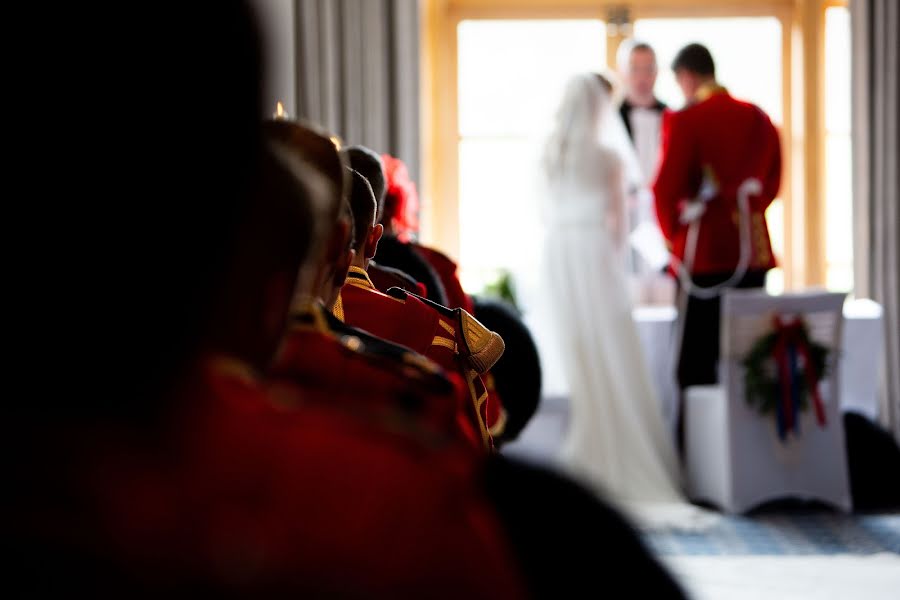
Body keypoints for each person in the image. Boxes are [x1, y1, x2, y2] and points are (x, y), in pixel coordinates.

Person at [539, 73, 688, 518]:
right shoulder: (607, 155)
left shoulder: (551, 150)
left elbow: (543, 210)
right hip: (593, 253)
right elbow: (620, 227)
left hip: (558, 253)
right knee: (611, 355)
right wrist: (616, 266)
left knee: (576, 352)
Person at [652, 44, 781, 412]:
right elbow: (771, 182)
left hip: (705, 256)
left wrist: (673, 238)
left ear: (687, 78)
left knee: (697, 366)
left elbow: (665, 189)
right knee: (749, 357)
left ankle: (700, 457)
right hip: (752, 250)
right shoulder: (757, 116)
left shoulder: (686, 120)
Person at [616, 40, 673, 306]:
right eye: (635, 69)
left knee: (665, 293)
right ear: (623, 72)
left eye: (648, 69)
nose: (642, 77)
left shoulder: (672, 117)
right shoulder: (611, 119)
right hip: (624, 219)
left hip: (662, 219)